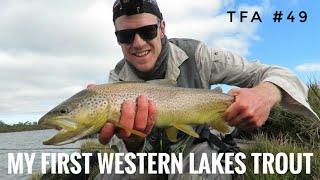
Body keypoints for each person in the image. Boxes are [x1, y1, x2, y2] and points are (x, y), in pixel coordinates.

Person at [94, 0, 319, 179]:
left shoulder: (199, 55)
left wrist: (266, 93)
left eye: (148, 31)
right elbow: (122, 150)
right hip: (149, 159)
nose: (138, 43)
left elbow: (280, 74)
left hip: (198, 148)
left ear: (162, 28)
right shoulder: (116, 81)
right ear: (117, 39)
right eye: (125, 35)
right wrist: (132, 142)